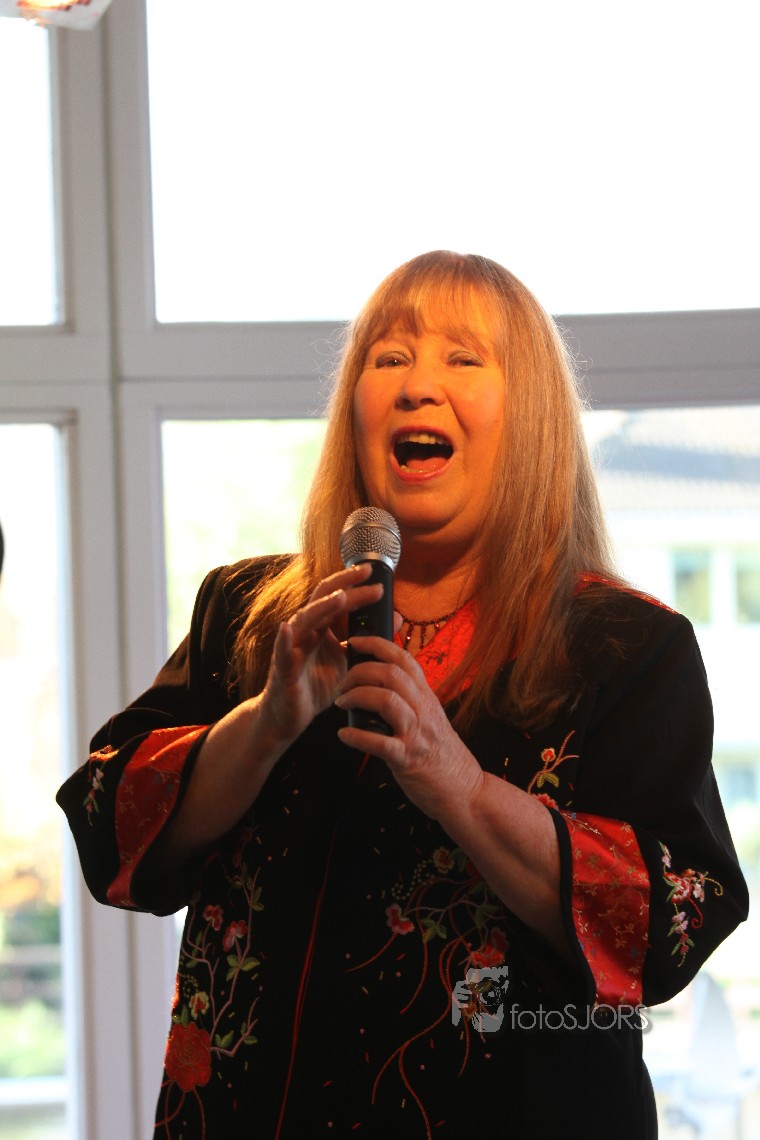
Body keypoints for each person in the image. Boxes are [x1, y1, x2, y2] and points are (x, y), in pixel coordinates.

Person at [57, 251, 748, 1139]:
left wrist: (460, 785)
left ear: (531, 416)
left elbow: (672, 915)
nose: (419, 385)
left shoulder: (625, 646)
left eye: (463, 358)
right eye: (389, 358)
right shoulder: (248, 612)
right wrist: (263, 726)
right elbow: (111, 821)